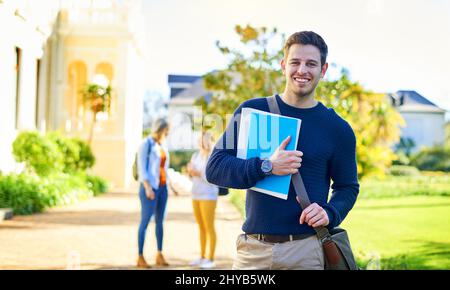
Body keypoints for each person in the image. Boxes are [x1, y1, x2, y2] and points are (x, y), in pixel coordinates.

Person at [205, 31, 359, 270]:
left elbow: (347, 187)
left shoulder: (338, 129)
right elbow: (215, 168)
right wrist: (266, 165)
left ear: (323, 69)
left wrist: (330, 212)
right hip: (253, 251)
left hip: (306, 251)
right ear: (283, 65)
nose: (302, 70)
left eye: (311, 64)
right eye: (295, 62)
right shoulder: (251, 111)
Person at [136, 118, 170, 268]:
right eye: (166, 131)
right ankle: (140, 256)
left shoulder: (162, 145)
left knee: (160, 222)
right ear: (160, 130)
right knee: (144, 222)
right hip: (149, 188)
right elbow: (142, 168)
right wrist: (148, 187)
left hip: (163, 188)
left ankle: (159, 254)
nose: (167, 134)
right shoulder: (146, 144)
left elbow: (163, 169)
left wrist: (172, 186)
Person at [186, 131, 219, 269]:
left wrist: (198, 173)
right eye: (200, 140)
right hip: (196, 195)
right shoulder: (195, 155)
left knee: (209, 226)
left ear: (210, 141)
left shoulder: (213, 157)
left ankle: (210, 259)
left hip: (208, 196)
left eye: (204, 140)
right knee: (201, 226)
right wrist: (189, 172)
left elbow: (214, 177)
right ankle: (202, 256)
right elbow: (192, 177)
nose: (201, 143)